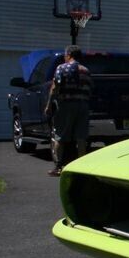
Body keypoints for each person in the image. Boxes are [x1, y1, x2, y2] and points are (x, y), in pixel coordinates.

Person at [44, 45, 92, 177]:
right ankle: (82, 167)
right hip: (82, 105)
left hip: (66, 104)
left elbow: (55, 87)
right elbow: (89, 90)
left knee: (60, 135)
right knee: (81, 137)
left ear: (69, 54)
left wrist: (49, 105)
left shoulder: (61, 68)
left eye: (65, 55)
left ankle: (58, 166)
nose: (65, 57)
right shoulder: (86, 70)